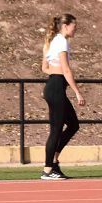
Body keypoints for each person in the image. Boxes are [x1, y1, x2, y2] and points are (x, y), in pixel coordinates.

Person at [40, 13, 84, 180]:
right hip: (56, 87)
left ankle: (54, 163)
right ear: (66, 26)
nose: (76, 29)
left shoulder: (51, 41)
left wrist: (55, 77)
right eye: (74, 26)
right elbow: (66, 70)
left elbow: (44, 67)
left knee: (73, 124)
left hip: (53, 86)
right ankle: (47, 170)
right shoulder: (61, 42)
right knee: (56, 130)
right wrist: (77, 92)